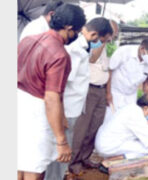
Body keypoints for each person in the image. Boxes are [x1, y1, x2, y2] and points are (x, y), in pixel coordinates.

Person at [17, 3, 86, 180]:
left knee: (18, 160)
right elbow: (51, 98)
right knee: (35, 165)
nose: (76, 36)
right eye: (77, 31)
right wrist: (61, 141)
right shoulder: (59, 55)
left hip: (18, 105)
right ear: (69, 28)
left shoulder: (28, 40)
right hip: (37, 112)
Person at [44, 17, 113, 180]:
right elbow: (62, 85)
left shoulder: (83, 48)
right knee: (64, 145)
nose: (101, 43)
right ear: (94, 34)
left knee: (70, 142)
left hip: (75, 106)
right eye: (101, 40)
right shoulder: (74, 51)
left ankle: (62, 173)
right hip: (68, 108)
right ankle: (60, 174)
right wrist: (61, 113)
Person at [68, 20, 119, 175]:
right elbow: (92, 59)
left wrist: (108, 92)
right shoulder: (91, 45)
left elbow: (109, 70)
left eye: (114, 36)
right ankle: (73, 161)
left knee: (95, 126)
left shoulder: (111, 47)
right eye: (110, 35)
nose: (112, 38)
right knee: (82, 128)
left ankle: (85, 157)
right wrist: (102, 43)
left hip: (102, 91)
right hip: (89, 89)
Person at [103, 38, 148, 123]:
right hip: (115, 92)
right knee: (109, 120)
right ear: (142, 49)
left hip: (131, 96)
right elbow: (110, 70)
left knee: (127, 121)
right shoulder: (124, 52)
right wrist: (108, 94)